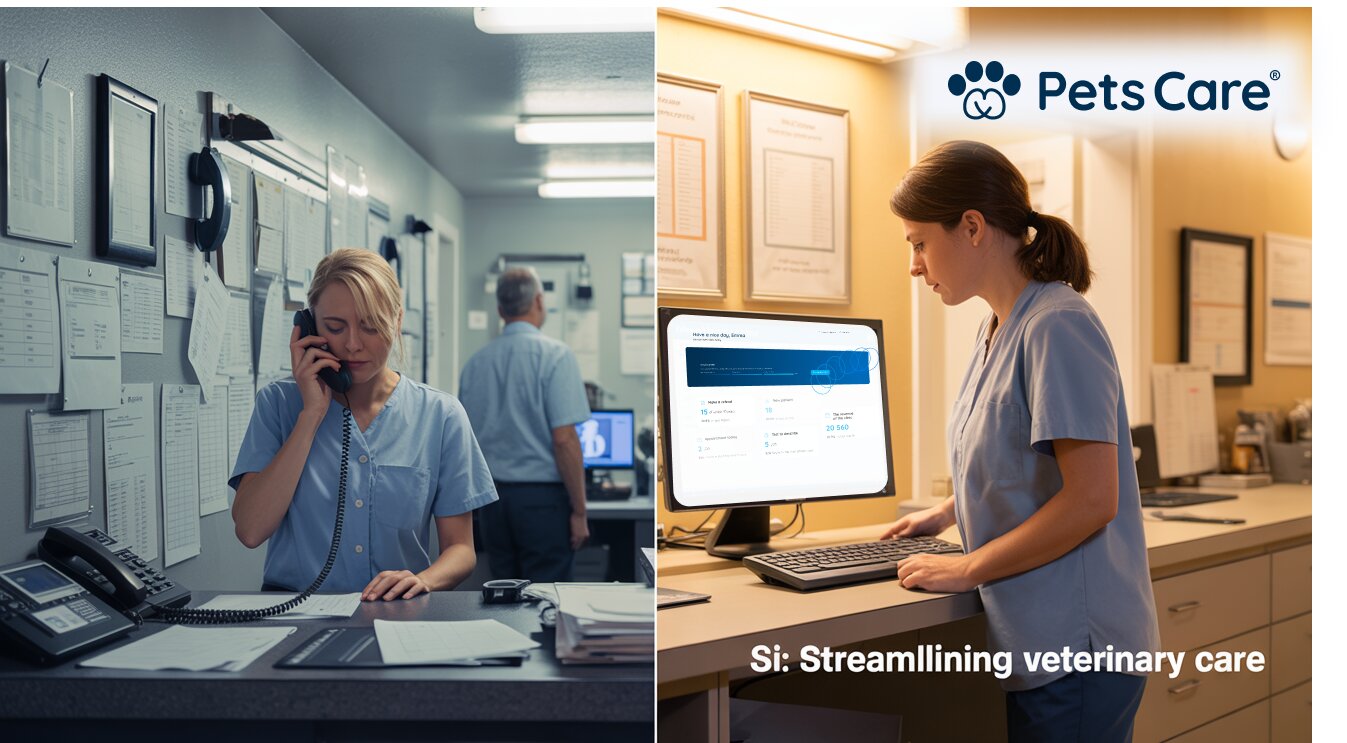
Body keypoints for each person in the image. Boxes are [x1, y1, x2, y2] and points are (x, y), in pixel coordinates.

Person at [881, 140, 1160, 742]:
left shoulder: (1057, 323)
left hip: (1079, 646)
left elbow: (1092, 498)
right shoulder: (998, 327)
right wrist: (948, 512)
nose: (915, 265)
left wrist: (968, 568)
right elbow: (1024, 456)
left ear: (973, 227)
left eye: (919, 243)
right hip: (1040, 638)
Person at [230, 248, 497, 600]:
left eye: (371, 326)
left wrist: (425, 580)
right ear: (308, 326)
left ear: (397, 321)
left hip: (397, 611)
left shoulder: (441, 415)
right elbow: (250, 530)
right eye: (335, 327)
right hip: (293, 611)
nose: (353, 344)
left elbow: (461, 550)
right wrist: (310, 416)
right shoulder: (278, 404)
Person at [459, 267, 591, 582]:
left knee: (505, 594)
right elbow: (564, 440)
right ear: (539, 302)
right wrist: (580, 511)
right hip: (542, 504)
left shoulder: (475, 363)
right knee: (547, 598)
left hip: (493, 504)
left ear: (500, 310)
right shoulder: (557, 356)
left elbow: (467, 441)